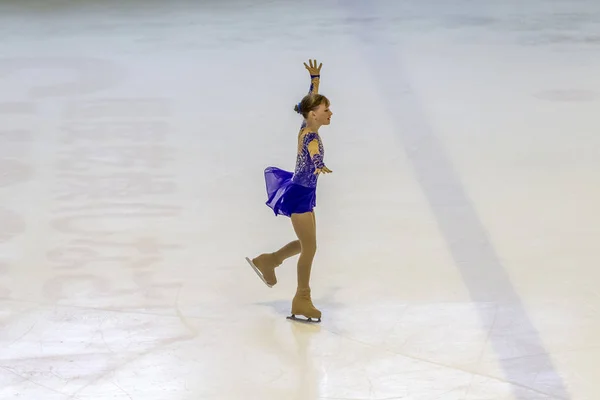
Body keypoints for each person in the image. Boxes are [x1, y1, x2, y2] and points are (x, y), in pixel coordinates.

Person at [246, 59, 333, 323]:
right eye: (326, 109)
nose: (330, 113)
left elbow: (309, 100)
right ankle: (301, 298)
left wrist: (315, 79)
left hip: (304, 192)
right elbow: (313, 152)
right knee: (309, 248)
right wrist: (319, 164)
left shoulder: (306, 124)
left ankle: (269, 261)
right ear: (314, 114)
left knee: (308, 244)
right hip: (299, 193)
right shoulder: (310, 136)